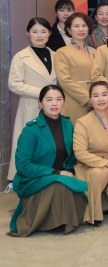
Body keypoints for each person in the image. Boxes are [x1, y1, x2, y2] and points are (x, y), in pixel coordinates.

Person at [9, 85, 88, 237]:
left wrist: (70, 171)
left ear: (64, 102)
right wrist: (56, 172)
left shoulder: (68, 124)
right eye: (49, 99)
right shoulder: (30, 130)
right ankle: (53, 222)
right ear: (40, 103)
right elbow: (23, 165)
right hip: (34, 179)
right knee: (62, 185)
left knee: (78, 182)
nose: (54, 103)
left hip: (62, 174)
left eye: (58, 99)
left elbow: (72, 155)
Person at [73, 81, 108, 226]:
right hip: (91, 167)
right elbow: (80, 153)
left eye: (104, 95)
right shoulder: (82, 122)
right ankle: (93, 215)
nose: (100, 99)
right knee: (101, 173)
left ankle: (103, 204)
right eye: (96, 96)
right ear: (90, 100)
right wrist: (107, 165)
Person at [8, 18, 57, 180]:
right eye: (35, 32)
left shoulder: (56, 55)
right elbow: (14, 84)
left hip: (54, 108)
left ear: (49, 33)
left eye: (43, 31)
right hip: (31, 107)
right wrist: (43, 93)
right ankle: (24, 180)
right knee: (29, 145)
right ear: (28, 34)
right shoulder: (21, 57)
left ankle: (49, 176)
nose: (39, 35)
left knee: (50, 144)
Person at [54, 13, 97, 124]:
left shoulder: (95, 52)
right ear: (69, 30)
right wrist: (87, 98)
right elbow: (64, 81)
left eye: (84, 26)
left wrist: (97, 97)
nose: (81, 29)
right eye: (76, 26)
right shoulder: (62, 52)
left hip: (97, 101)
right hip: (75, 100)